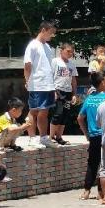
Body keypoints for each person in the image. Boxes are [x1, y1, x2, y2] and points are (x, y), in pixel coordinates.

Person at [23, 20, 59, 149]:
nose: (52, 35)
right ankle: (32, 138)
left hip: (48, 85)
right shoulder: (32, 45)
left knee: (44, 112)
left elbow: (49, 67)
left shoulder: (47, 47)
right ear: (43, 30)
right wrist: (27, 81)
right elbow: (27, 65)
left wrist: (53, 87)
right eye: (51, 32)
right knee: (34, 111)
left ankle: (43, 138)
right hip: (37, 84)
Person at [77, 71, 105, 200]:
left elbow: (80, 118)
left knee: (92, 163)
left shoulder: (89, 99)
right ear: (102, 83)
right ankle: (101, 192)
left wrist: (86, 133)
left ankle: (86, 191)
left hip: (94, 136)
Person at [50, 42, 78, 145]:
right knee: (58, 113)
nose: (70, 54)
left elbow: (73, 80)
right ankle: (51, 137)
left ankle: (59, 137)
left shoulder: (72, 64)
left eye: (72, 52)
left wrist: (74, 94)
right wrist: (53, 91)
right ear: (61, 51)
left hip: (68, 92)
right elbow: (50, 76)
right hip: (58, 90)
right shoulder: (55, 61)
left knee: (65, 115)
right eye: (68, 51)